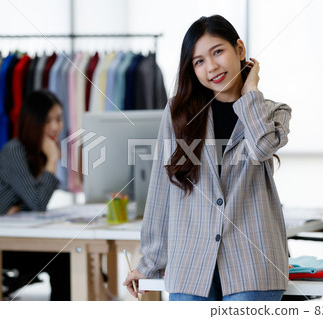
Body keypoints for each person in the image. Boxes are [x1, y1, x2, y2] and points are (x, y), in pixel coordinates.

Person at [123, 15, 291, 301]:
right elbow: (162, 189)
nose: (211, 67)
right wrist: (148, 262)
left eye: (218, 52)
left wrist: (250, 93)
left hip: (252, 263)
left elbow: (262, 147)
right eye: (198, 61)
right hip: (191, 266)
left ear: (239, 50)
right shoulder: (179, 114)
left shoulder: (273, 112)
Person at [0, 90, 70, 301]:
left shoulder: (37, 153)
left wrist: (20, 208)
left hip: (11, 236)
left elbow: (30, 204)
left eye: (59, 119)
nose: (56, 127)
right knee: (64, 258)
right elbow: (37, 203)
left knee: (69, 255)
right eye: (48, 120)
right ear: (33, 122)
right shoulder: (14, 151)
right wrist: (53, 160)